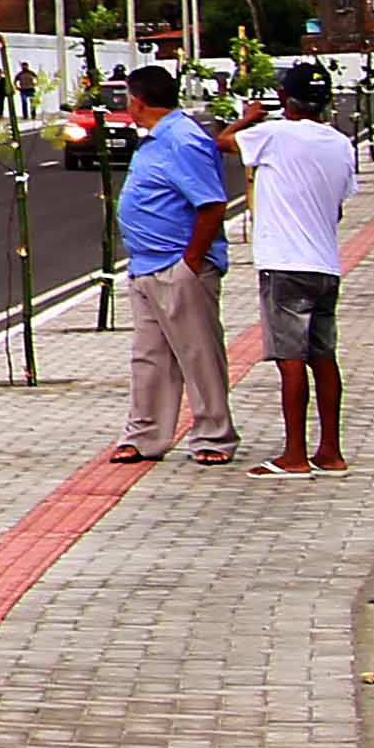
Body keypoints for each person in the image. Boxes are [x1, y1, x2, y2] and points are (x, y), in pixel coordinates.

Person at [111, 61, 242, 464]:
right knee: (149, 355)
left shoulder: (184, 140)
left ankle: (213, 435)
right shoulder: (155, 139)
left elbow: (211, 203)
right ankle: (146, 434)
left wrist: (191, 261)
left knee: (198, 351)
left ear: (137, 101)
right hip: (146, 264)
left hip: (178, 266)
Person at [242, 64, 359, 476]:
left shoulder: (272, 134)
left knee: (290, 359)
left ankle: (294, 455)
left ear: (282, 97)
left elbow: (223, 143)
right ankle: (331, 451)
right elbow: (340, 204)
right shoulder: (342, 144)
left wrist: (248, 117)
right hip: (326, 264)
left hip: (283, 264)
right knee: (324, 357)